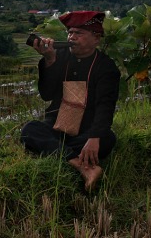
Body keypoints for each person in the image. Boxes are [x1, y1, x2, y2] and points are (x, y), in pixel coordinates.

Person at [20, 11, 120, 192]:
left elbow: (105, 106)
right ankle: (81, 165)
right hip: (57, 125)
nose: (72, 37)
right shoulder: (60, 56)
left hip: (86, 130)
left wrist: (93, 138)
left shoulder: (106, 67)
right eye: (70, 33)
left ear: (96, 38)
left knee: (107, 139)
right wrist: (49, 60)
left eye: (78, 33)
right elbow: (47, 94)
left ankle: (56, 151)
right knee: (29, 129)